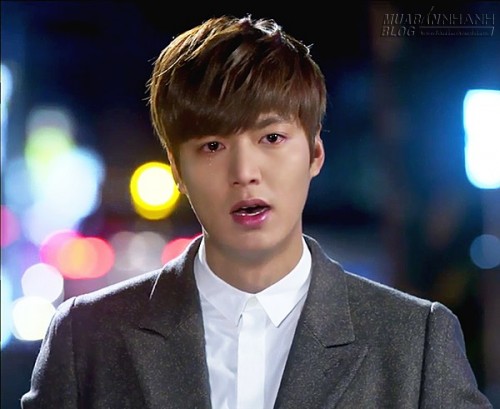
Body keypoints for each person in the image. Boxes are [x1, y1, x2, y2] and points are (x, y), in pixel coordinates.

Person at [21, 15, 492, 409]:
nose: (244, 172)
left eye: (271, 138)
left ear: (315, 154)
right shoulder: (86, 339)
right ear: (178, 171)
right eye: (212, 145)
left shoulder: (414, 341)